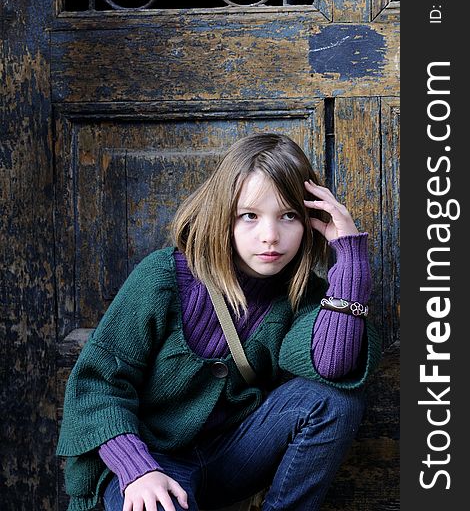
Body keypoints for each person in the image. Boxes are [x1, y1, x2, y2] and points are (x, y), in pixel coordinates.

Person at [57, 132, 381, 511]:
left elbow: (333, 367)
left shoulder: (303, 296)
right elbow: (98, 386)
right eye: (250, 216)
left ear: (311, 220)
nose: (270, 237)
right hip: (153, 461)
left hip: (235, 456)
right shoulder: (164, 278)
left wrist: (351, 262)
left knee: (335, 400)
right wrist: (136, 469)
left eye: (289, 216)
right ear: (223, 213)